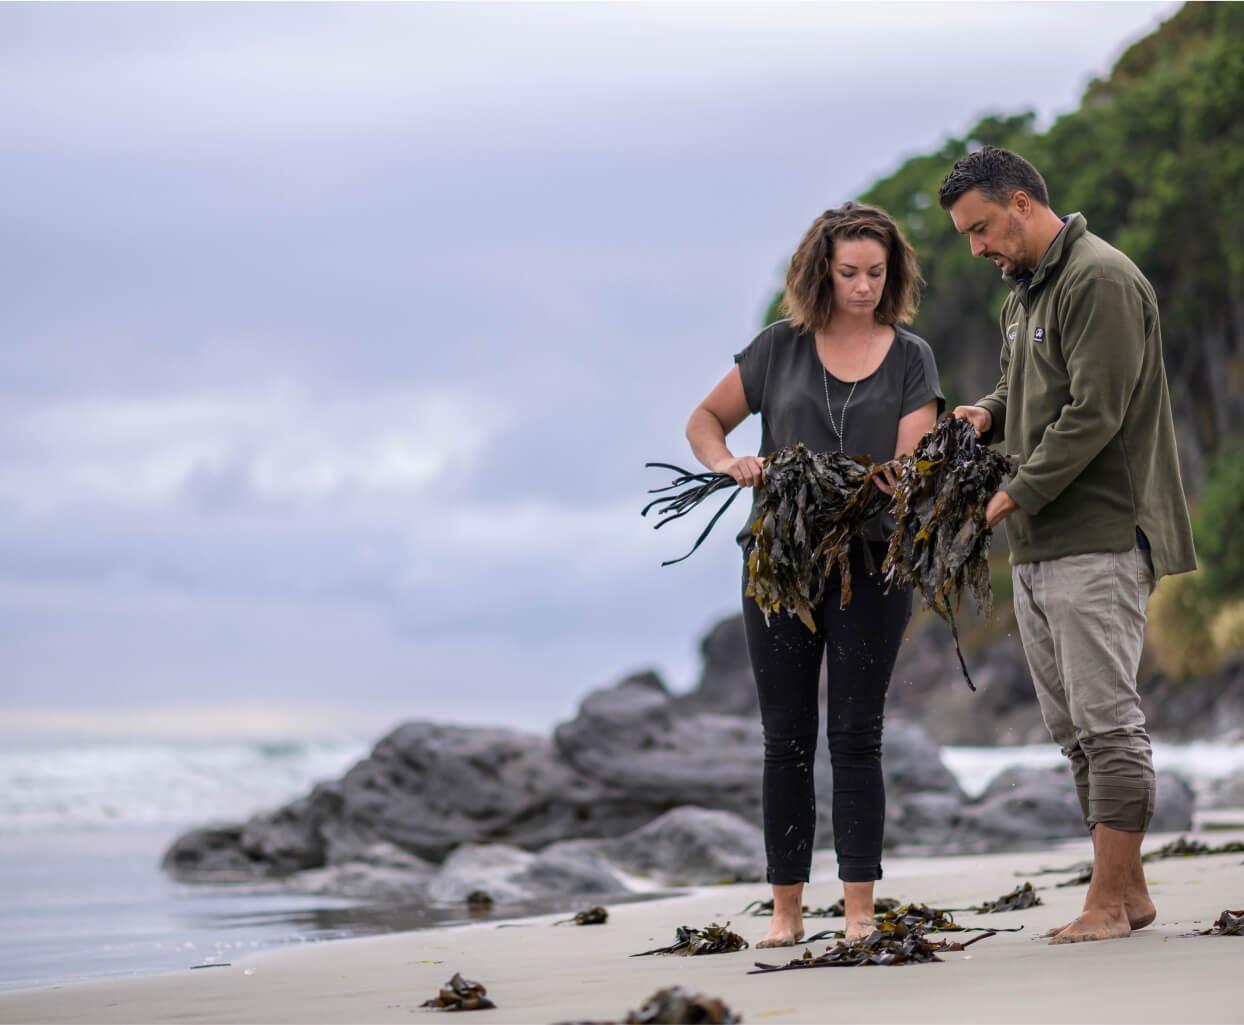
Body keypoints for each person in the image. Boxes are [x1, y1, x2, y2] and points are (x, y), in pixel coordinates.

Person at [939, 146, 1197, 944]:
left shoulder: (1100, 278)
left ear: (1021, 202)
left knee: (1109, 723)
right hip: (1042, 543)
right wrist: (985, 413)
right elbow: (1026, 390)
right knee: (1072, 729)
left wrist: (1013, 492)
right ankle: (1131, 894)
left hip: (1105, 531)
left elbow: (1096, 410)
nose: (977, 248)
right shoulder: (1024, 295)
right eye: (966, 236)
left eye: (982, 228)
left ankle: (1104, 904)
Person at [685, 202, 943, 947]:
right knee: (786, 740)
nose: (864, 286)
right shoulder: (778, 348)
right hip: (781, 563)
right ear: (820, 271)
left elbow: (912, 459)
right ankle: (786, 911)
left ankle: (859, 909)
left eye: (877, 273)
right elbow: (704, 419)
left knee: (856, 737)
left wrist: (903, 480)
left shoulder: (910, 356)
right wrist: (728, 461)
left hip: (872, 564)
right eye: (849, 272)